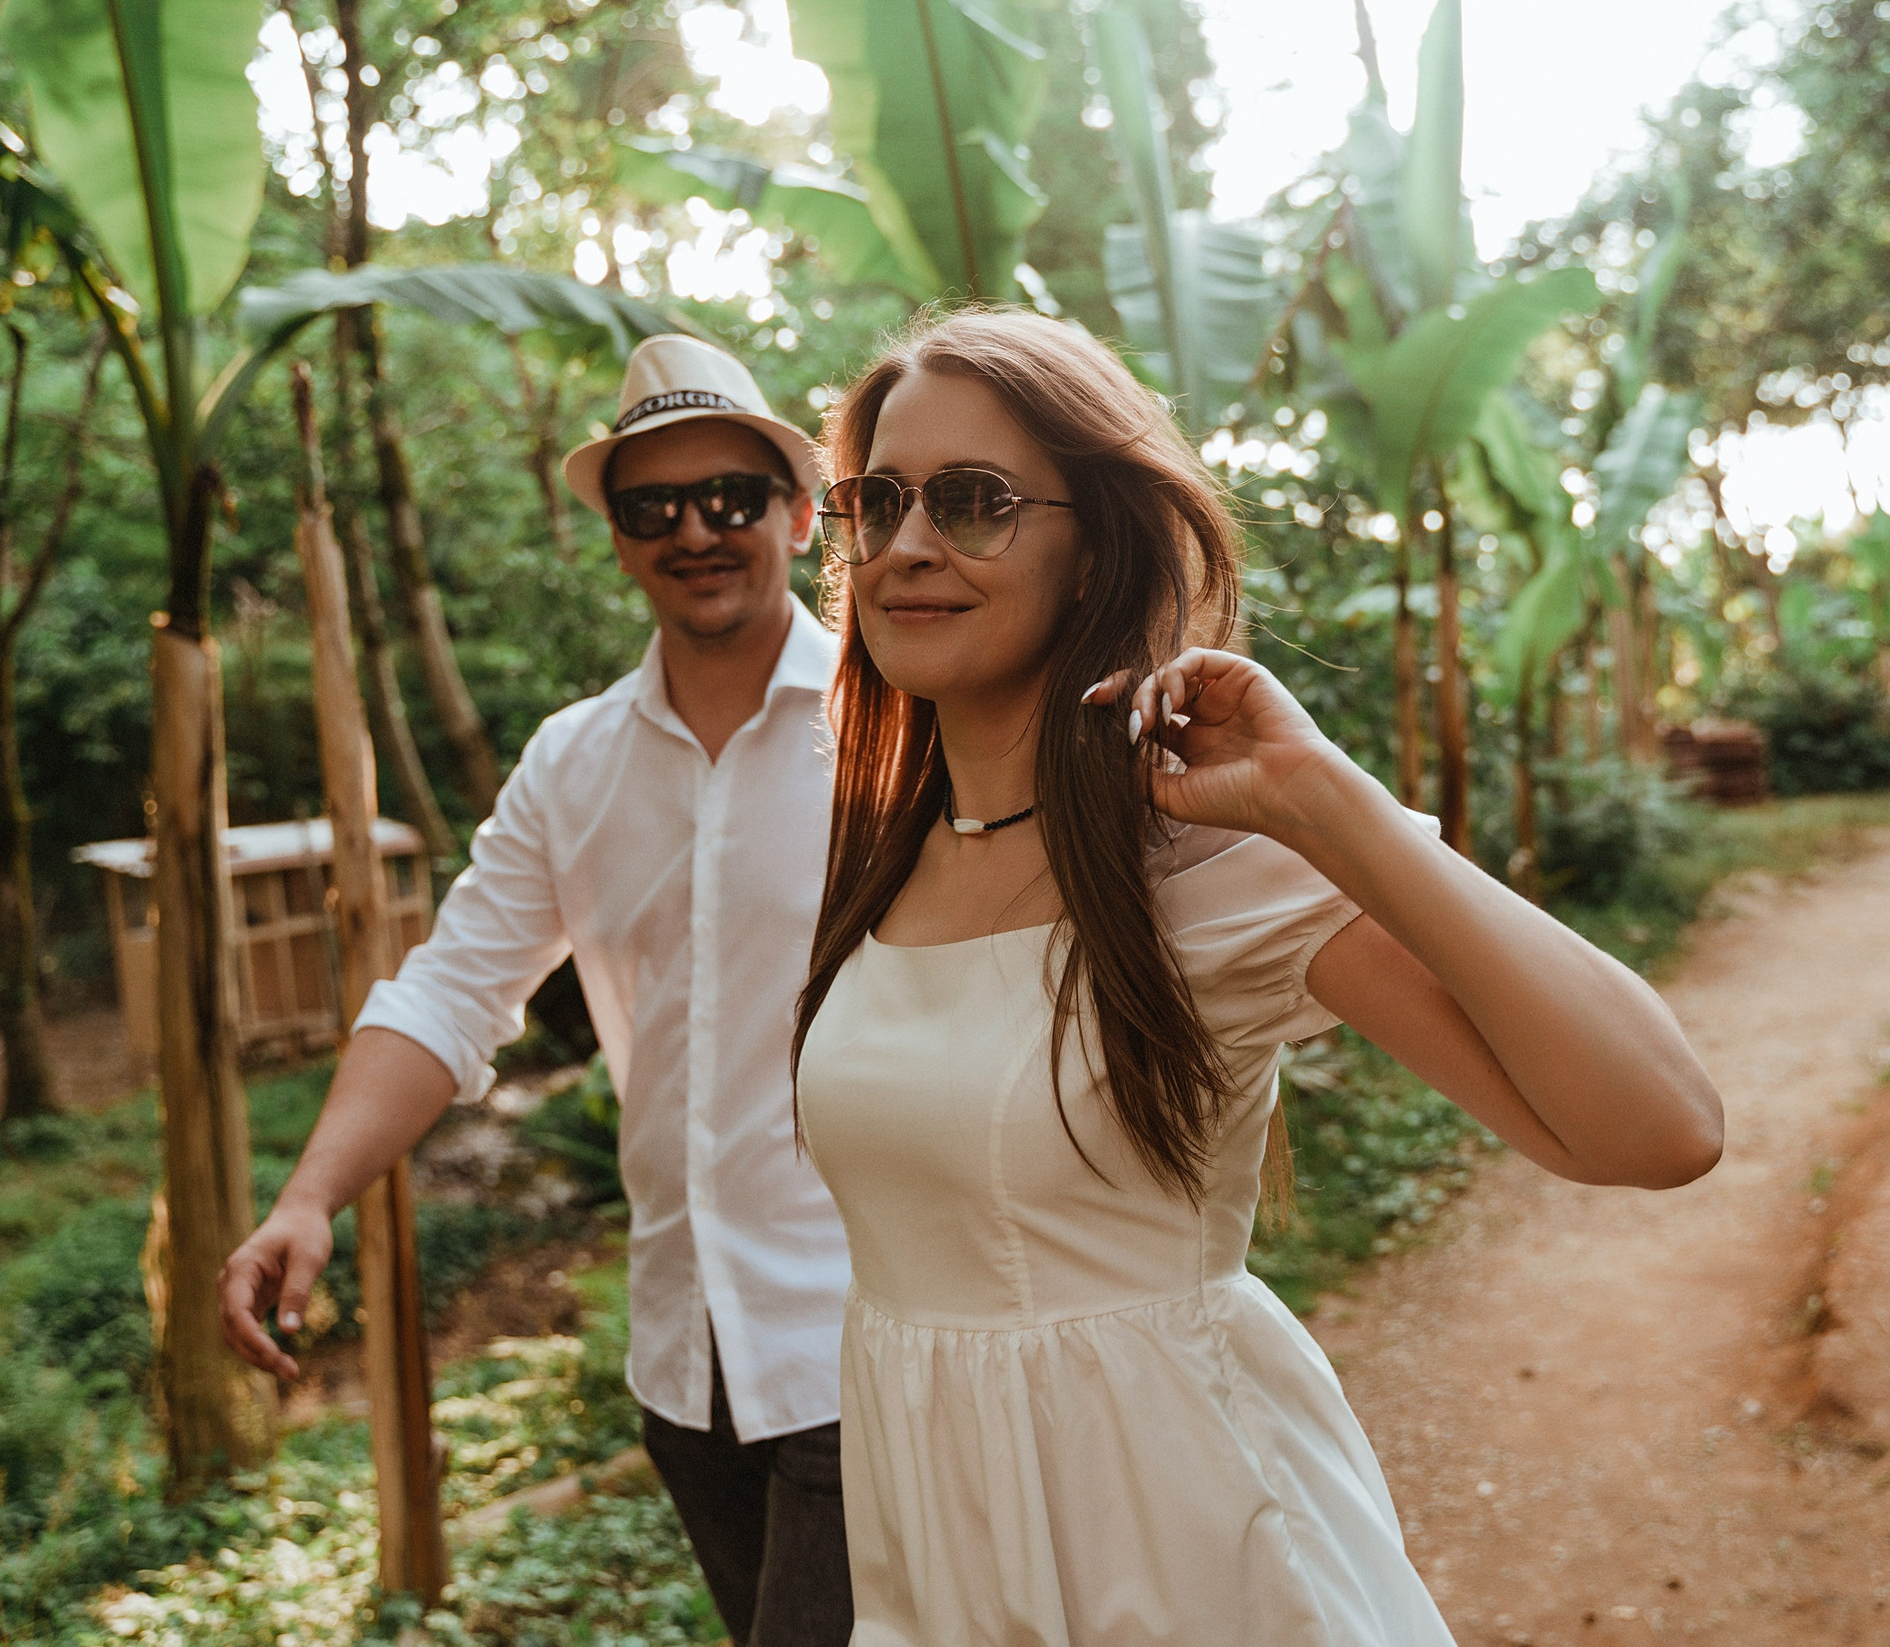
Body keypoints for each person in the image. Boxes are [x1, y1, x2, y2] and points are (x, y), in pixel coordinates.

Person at [787, 309, 1725, 1646]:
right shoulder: (880, 855)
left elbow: (1661, 1126)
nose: (911, 544)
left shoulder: (1208, 863)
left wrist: (1324, 800)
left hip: (1196, 1558)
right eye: (879, 502)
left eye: (975, 501)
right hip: (942, 1568)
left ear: (1094, 550)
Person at [219, 333, 856, 1647]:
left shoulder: (897, 722)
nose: (695, 531)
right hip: (686, 1365)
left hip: (869, 1339)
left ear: (799, 514)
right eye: (653, 507)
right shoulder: (573, 764)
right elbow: (451, 992)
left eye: (730, 497)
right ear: (616, 541)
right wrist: (306, 1197)